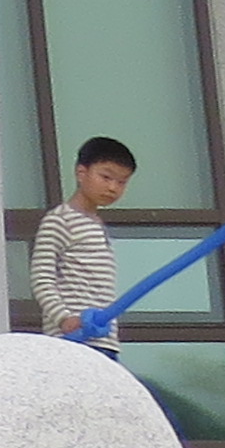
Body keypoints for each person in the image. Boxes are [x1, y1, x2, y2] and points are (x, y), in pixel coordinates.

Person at [32, 135, 132, 340]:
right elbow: (41, 278)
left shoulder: (97, 224)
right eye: (106, 177)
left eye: (122, 182)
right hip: (72, 339)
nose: (113, 188)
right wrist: (64, 319)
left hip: (104, 340)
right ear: (81, 173)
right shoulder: (60, 219)